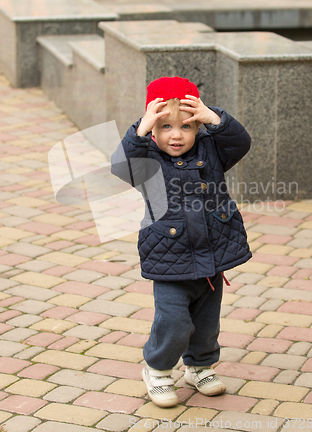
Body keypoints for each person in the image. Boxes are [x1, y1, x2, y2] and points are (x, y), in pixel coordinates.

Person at [111, 76, 252, 408]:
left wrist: (213, 117)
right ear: (153, 130)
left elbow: (240, 142)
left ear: (197, 128)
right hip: (169, 256)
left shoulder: (211, 150)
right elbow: (121, 166)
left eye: (186, 127)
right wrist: (140, 129)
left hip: (211, 255)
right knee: (173, 320)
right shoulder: (148, 161)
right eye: (165, 127)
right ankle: (158, 370)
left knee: (206, 321)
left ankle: (199, 366)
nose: (176, 135)